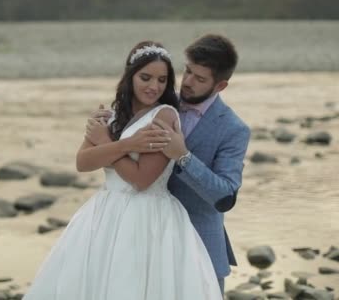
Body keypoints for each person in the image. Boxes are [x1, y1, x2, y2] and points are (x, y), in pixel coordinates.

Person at [23, 41, 223, 300]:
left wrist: (107, 143)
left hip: (147, 217)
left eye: (162, 80)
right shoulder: (115, 113)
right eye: (145, 77)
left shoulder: (164, 116)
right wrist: (127, 144)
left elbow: (141, 180)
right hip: (104, 213)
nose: (154, 86)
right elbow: (83, 162)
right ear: (130, 76)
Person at [89, 34, 251, 294]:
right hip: (144, 238)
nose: (187, 82)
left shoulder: (233, 129)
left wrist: (184, 157)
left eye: (200, 79)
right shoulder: (157, 101)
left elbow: (225, 196)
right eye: (187, 71)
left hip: (200, 245)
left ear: (220, 86)